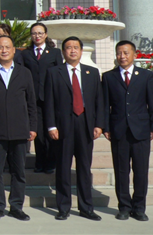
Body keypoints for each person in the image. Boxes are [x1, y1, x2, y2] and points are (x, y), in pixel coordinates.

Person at [44, 37, 105, 221]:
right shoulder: (54, 72)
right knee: (63, 167)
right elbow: (49, 102)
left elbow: (99, 101)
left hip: (85, 125)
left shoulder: (92, 72)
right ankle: (63, 207)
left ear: (81, 51)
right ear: (63, 52)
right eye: (68, 48)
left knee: (84, 168)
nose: (72, 51)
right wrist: (51, 125)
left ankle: (86, 207)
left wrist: (99, 124)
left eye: (76, 47)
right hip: (63, 126)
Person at [0, 35, 37, 222]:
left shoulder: (24, 73)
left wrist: (33, 127)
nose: (4, 50)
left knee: (18, 172)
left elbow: (31, 103)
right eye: (0, 47)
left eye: (7, 47)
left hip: (20, 130)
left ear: (14, 50)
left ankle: (16, 206)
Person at [102, 40, 153, 222]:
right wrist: (106, 127)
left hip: (141, 130)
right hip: (118, 131)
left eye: (126, 53)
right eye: (119, 53)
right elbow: (105, 105)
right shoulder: (108, 77)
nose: (122, 56)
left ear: (134, 54)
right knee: (121, 171)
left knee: (141, 172)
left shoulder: (145, 76)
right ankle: (124, 207)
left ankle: (139, 208)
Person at [21, 22, 62, 174]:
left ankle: (51, 162)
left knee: (50, 130)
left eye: (40, 33)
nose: (37, 36)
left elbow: (59, 73)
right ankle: (40, 162)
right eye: (34, 33)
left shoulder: (54, 53)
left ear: (45, 34)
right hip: (33, 97)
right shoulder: (25, 54)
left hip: (50, 96)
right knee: (37, 131)